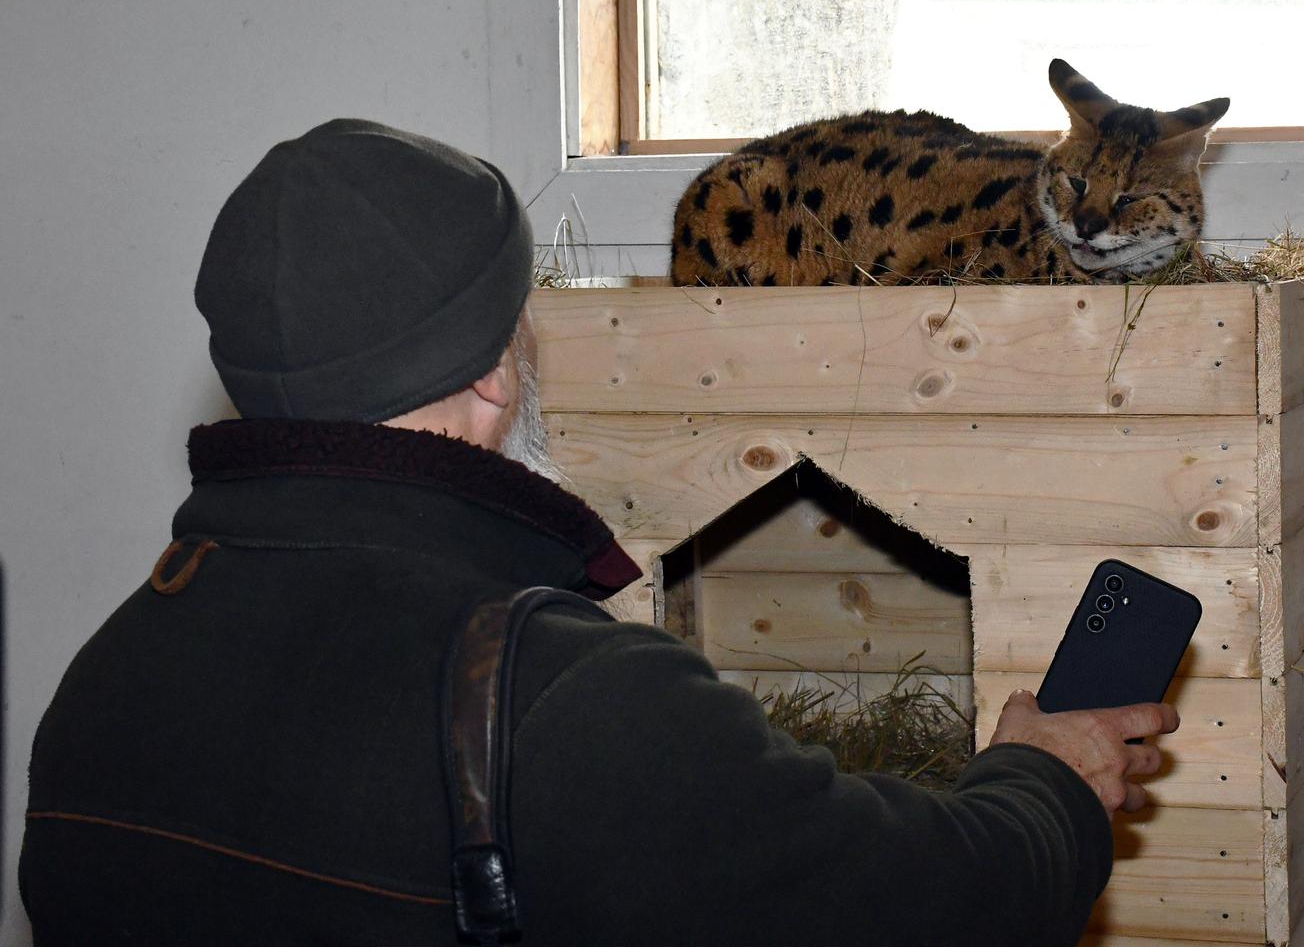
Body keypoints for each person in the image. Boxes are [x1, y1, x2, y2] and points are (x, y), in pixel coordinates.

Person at [18, 119, 1181, 946]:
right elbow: (930, 907)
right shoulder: (570, 701)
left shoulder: (105, 684)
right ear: (491, 370)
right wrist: (1048, 782)